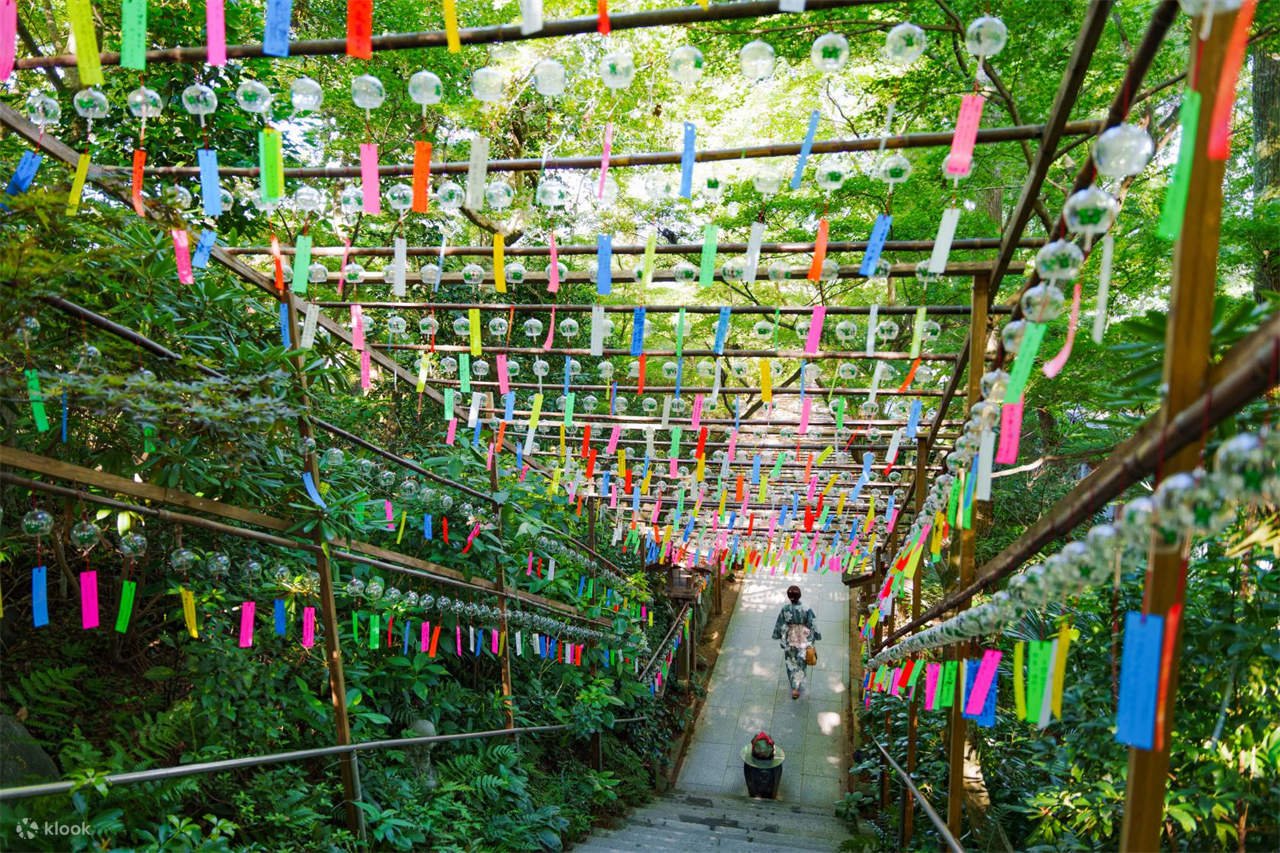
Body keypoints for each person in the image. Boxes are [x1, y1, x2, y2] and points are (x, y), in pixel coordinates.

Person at [771, 585, 820, 699]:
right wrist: (815, 636)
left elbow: (781, 624)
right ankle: (798, 683)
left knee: (791, 663)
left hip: (790, 639)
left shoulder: (785, 609)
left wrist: (780, 636)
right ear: (800, 596)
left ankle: (794, 688)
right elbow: (812, 623)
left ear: (789, 597)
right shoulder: (806, 608)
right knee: (801, 662)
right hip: (803, 639)